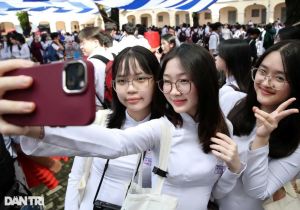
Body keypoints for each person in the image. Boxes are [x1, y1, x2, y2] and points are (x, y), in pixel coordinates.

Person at [0, 44, 244, 210]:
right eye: (167, 82)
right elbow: (115, 144)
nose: (173, 90)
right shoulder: (162, 128)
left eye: (183, 81)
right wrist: (35, 128)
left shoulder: (223, 128)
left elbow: (217, 191)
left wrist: (234, 166)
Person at [65, 46, 163, 210]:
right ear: (114, 85)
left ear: (157, 82)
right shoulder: (98, 122)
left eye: (140, 78)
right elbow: (76, 175)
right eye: (122, 81)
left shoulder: (166, 132)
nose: (131, 89)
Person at [216, 40, 300, 210]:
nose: (266, 82)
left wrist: (262, 139)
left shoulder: (296, 139)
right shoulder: (232, 101)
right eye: (262, 71)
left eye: (280, 77)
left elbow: (257, 191)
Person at [78, 27, 114, 110]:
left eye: (83, 43)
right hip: (114, 106)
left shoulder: (91, 64)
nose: (81, 47)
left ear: (95, 43)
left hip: (99, 109)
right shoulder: (112, 55)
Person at [215, 39, 251, 115]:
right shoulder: (247, 82)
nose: (216, 57)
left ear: (229, 59)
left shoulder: (229, 92)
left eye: (219, 54)